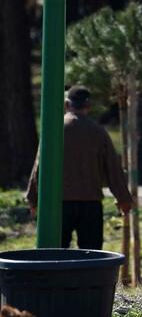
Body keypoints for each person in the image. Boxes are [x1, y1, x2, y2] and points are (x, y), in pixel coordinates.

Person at [25, 86, 133, 249]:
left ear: (67, 104)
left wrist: (33, 198)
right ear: (88, 106)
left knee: (55, 254)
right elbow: (113, 169)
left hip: (58, 204)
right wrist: (123, 198)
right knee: (91, 254)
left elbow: (39, 166)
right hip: (91, 203)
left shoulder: (54, 130)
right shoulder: (98, 132)